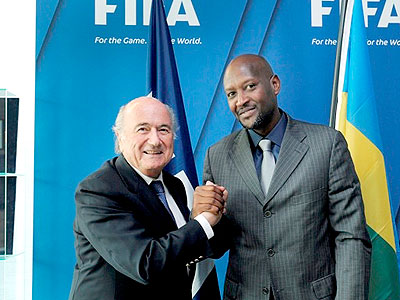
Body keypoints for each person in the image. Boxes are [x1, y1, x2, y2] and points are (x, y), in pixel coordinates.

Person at [192, 54, 371, 300]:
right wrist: (204, 221)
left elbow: (350, 236)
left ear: (274, 84)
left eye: (250, 86)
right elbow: (218, 246)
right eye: (231, 94)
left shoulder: (327, 145)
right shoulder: (217, 156)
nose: (241, 100)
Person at [68, 97, 226, 300]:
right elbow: (146, 263)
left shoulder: (174, 185)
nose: (155, 140)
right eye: (143, 129)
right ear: (120, 136)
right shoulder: (97, 190)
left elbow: (188, 247)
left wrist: (216, 211)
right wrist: (204, 221)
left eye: (164, 130)